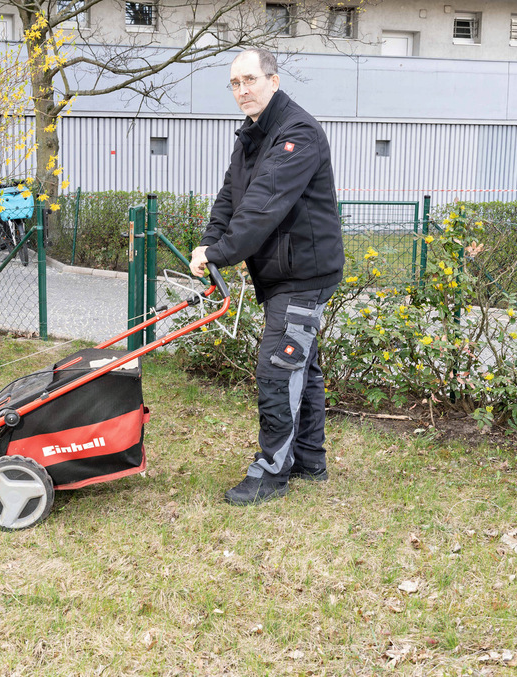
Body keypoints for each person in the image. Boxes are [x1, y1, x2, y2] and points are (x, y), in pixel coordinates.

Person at [189, 48, 344, 506]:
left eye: (250, 80)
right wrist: (209, 244)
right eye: (235, 84)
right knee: (301, 367)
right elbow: (230, 196)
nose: (242, 90)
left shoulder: (297, 132)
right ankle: (308, 459)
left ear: (273, 81)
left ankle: (272, 473)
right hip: (283, 272)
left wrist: (222, 252)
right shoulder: (252, 134)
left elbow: (263, 204)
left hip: (304, 274)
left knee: (278, 369)